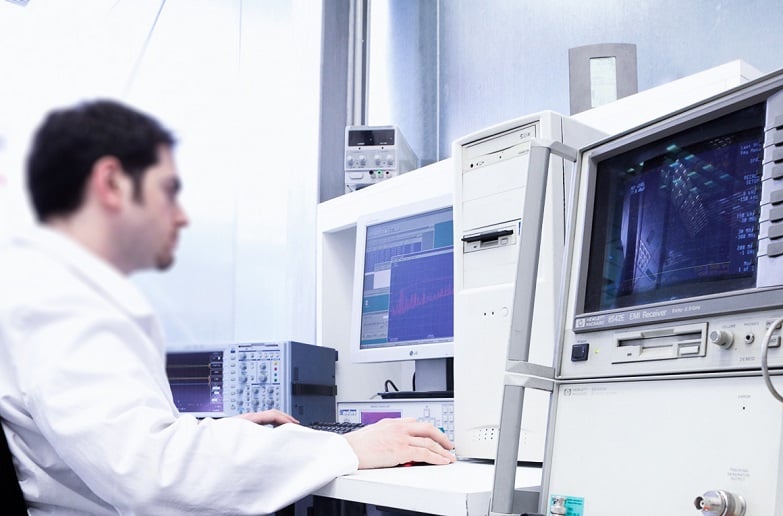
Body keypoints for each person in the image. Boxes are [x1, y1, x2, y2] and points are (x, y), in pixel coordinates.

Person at [0, 100, 456, 514]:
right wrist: (348, 448)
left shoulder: (49, 291)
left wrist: (220, 437)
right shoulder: (64, 305)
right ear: (111, 183)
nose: (181, 216)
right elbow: (154, 474)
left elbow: (120, 447)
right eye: (168, 190)